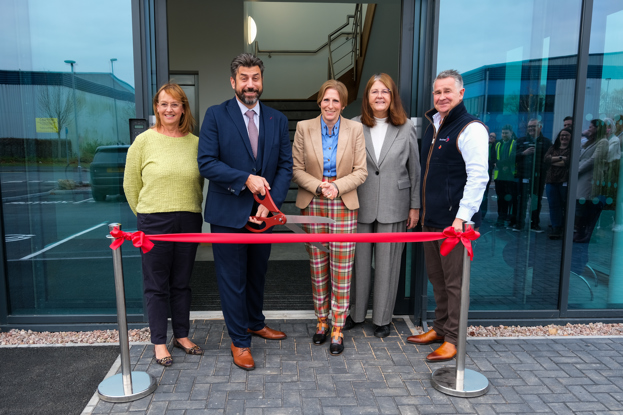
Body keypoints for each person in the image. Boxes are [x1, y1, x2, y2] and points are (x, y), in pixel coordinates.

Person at [197, 53, 293, 371]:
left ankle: (254, 322)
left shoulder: (277, 119)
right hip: (227, 214)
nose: (250, 84)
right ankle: (240, 341)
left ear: (261, 81)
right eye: (244, 78)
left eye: (255, 78)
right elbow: (207, 162)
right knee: (232, 280)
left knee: (257, 275)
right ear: (233, 82)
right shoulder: (215, 115)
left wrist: (270, 205)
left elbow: (284, 167)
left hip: (263, 218)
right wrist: (245, 180)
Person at [406, 70, 488, 361]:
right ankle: (440, 328)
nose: (441, 97)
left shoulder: (470, 128)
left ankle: (453, 338)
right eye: (437, 92)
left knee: (455, 283)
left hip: (454, 224)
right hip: (431, 221)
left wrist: (461, 218)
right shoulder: (434, 124)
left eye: (447, 91)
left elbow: (478, 177)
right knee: (437, 279)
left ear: (461, 93)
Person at [124, 82, 204, 367]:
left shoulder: (196, 143)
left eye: (175, 104)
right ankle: (159, 341)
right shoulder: (144, 141)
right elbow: (131, 185)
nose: (169, 109)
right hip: (154, 221)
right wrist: (146, 215)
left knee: (182, 283)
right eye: (163, 104)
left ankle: (181, 336)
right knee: (157, 285)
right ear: (156, 108)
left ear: (183, 108)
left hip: (189, 219)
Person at [292, 80, 367, 355]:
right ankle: (321, 321)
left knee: (342, 267)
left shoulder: (355, 129)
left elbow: (361, 171)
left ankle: (338, 325)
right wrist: (318, 186)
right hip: (313, 200)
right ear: (319, 102)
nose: (330, 105)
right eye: (326, 100)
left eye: (336, 101)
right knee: (318, 265)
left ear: (343, 104)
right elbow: (297, 168)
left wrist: (337, 186)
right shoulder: (303, 127)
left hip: (343, 202)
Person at [346, 73, 420, 338]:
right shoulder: (354, 125)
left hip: (395, 203)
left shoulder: (406, 126)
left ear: (392, 97)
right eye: (374, 91)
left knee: (388, 264)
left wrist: (415, 207)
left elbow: (415, 170)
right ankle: (355, 314)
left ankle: (382, 319)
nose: (379, 96)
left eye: (385, 91)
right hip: (360, 203)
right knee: (359, 263)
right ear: (367, 97)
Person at [513, 119, 552, 232]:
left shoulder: (546, 142)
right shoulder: (521, 141)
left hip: (538, 177)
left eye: (533, 127)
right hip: (522, 175)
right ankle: (519, 223)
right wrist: (523, 153)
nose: (530, 129)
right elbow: (513, 156)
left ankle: (534, 224)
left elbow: (549, 159)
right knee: (521, 200)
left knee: (536, 200)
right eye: (529, 127)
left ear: (540, 127)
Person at [574, 118, 608, 243]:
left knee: (585, 206)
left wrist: (577, 170)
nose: (588, 129)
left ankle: (583, 233)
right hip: (582, 176)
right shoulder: (591, 142)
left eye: (590, 127)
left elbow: (594, 159)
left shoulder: (603, 142)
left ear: (597, 128)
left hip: (589, 177)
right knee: (581, 206)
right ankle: (580, 232)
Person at [543, 128, 572, 240]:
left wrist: (553, 160)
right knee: (553, 205)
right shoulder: (553, 147)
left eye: (566, 135)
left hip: (564, 181)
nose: (564, 137)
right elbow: (546, 159)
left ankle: (564, 227)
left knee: (564, 205)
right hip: (551, 181)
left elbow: (568, 162)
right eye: (562, 135)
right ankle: (556, 227)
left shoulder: (572, 149)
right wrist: (561, 158)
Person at [493, 125, 518, 228]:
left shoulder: (515, 143)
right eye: (503, 133)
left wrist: (501, 164)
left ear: (511, 133)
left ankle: (509, 218)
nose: (504, 135)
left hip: (510, 176)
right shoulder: (498, 144)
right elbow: (494, 157)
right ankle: (501, 218)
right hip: (500, 176)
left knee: (510, 198)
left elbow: (513, 157)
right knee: (500, 198)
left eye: (506, 133)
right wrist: (499, 165)